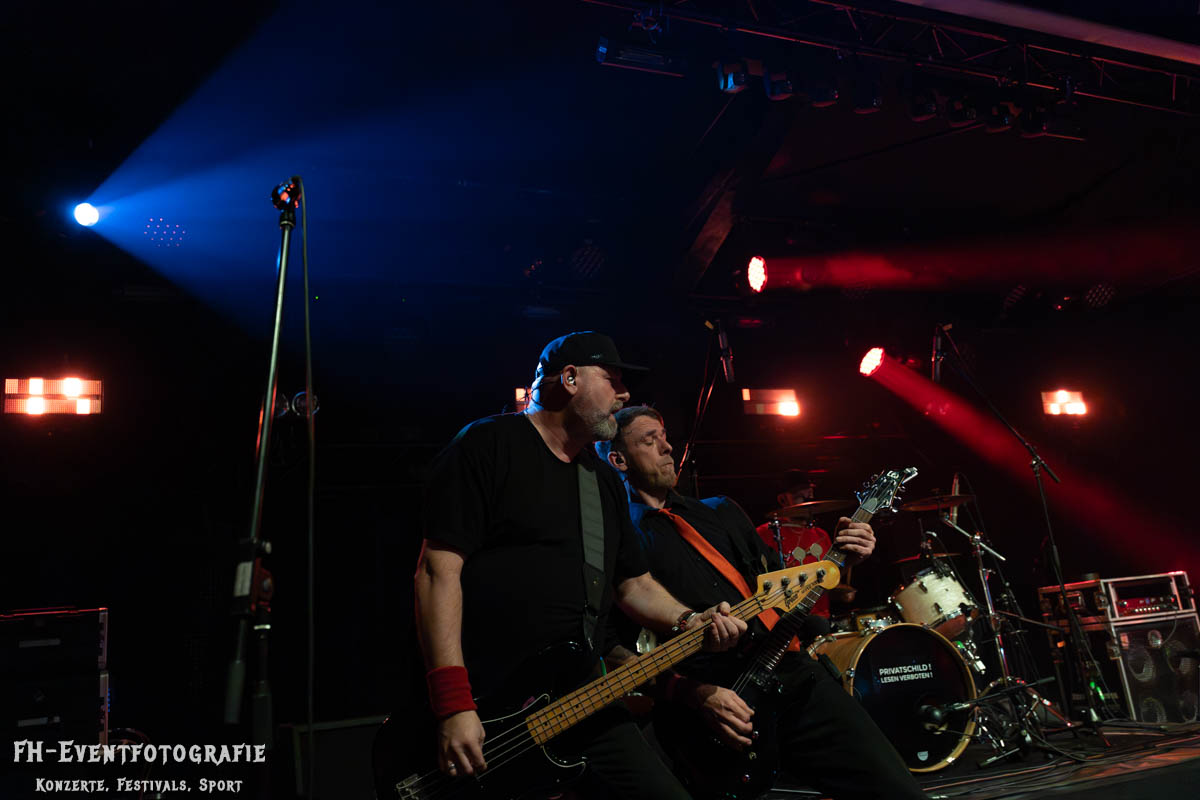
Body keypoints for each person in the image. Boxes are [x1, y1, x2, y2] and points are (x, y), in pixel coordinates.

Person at [413, 332, 747, 799]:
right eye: (612, 380)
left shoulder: (601, 481)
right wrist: (453, 704)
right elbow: (437, 573)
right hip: (490, 704)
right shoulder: (487, 445)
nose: (624, 395)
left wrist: (690, 619)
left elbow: (633, 585)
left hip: (581, 696)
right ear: (569, 379)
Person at [599, 405, 929, 800]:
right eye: (649, 440)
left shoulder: (721, 511)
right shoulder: (619, 541)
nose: (667, 447)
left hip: (792, 674)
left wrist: (843, 561)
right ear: (619, 460)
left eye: (665, 436)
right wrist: (695, 695)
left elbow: (784, 591)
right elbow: (614, 650)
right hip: (711, 706)